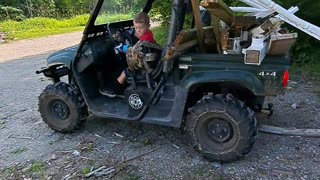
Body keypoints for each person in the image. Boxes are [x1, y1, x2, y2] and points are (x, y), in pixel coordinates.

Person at [100, 12, 156, 97]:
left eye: (141, 28)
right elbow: (139, 35)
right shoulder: (148, 34)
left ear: (148, 26)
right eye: (136, 27)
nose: (138, 30)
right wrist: (131, 33)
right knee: (124, 64)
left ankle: (116, 87)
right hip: (148, 59)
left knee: (125, 71)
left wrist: (122, 47)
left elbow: (133, 50)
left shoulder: (144, 41)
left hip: (144, 65)